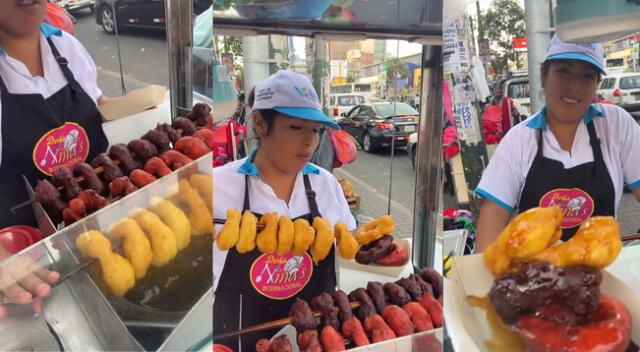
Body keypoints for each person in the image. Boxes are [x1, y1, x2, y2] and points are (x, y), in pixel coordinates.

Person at [0, 0, 136, 315]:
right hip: (33, 267)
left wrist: (130, 106)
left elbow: (96, 101)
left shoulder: (66, 46)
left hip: (106, 229)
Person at [213, 70, 356, 350]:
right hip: (241, 343)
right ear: (261, 124)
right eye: (296, 128)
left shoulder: (325, 185)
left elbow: (350, 245)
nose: (310, 142)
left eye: (316, 130)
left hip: (316, 339)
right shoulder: (218, 187)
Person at [474, 35, 640, 251]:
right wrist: (482, 276)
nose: (574, 85)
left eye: (587, 75)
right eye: (564, 71)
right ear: (544, 74)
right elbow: (494, 213)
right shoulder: (519, 139)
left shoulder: (616, 124)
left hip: (601, 274)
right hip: (534, 276)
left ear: (596, 84)